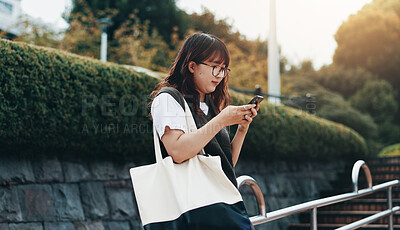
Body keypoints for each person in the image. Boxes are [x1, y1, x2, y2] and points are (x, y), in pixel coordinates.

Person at [149, 33, 259, 229]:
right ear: (192, 66)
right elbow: (178, 151)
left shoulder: (210, 105)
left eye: (224, 69)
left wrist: (241, 129)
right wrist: (221, 120)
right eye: (214, 67)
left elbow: (224, 165)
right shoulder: (168, 99)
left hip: (221, 206)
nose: (219, 74)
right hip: (195, 211)